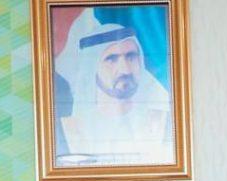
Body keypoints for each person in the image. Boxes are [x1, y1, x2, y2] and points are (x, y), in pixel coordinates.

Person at [54, 10, 173, 166]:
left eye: (131, 57)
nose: (125, 70)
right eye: (111, 59)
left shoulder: (164, 122)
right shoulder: (69, 130)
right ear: (92, 68)